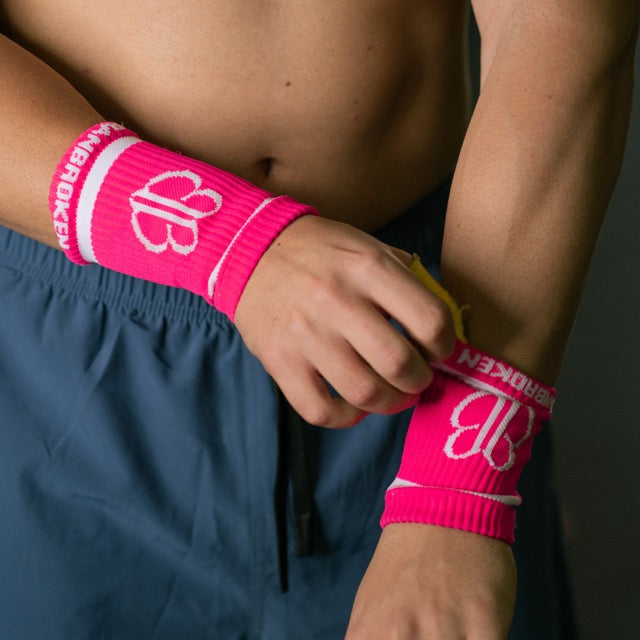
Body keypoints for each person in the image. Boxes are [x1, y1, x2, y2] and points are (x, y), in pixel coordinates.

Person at [0, 1, 637, 638]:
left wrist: (459, 487)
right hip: (69, 362)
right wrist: (233, 244)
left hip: (438, 339)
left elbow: (560, 22)